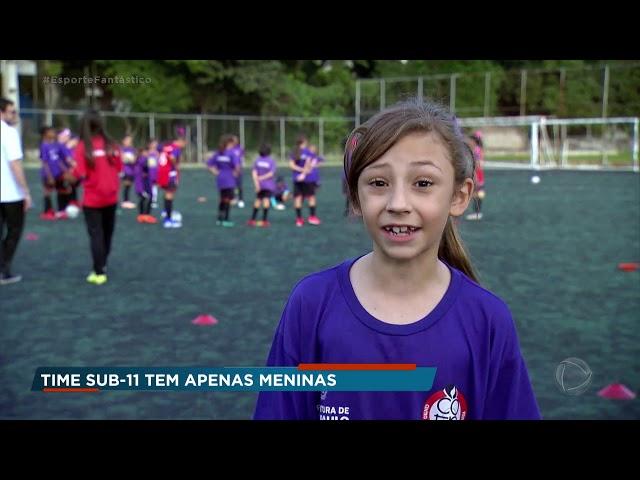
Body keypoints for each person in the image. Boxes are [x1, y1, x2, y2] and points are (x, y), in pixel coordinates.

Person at [254, 99, 540, 420]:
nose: (398, 203)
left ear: (459, 197)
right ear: (356, 197)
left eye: (423, 183)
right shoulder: (311, 303)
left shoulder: (487, 319)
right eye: (378, 183)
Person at [68, 110, 122, 285]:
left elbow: (78, 173)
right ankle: (102, 265)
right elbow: (119, 167)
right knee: (107, 234)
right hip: (111, 197)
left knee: (96, 235)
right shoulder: (112, 145)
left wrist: (67, 176)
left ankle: (99, 271)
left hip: (92, 199)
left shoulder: (83, 147)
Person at [0, 98, 31, 285]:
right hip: (10, 193)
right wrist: (26, 191)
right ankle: (3, 270)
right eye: (12, 112)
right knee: (14, 232)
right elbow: (15, 164)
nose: (15, 115)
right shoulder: (9, 133)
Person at [207, 134, 240, 227]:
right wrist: (236, 173)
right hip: (229, 178)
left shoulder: (218, 152)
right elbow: (237, 166)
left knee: (222, 198)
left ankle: (219, 218)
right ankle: (226, 219)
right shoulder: (232, 153)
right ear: (229, 143)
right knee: (228, 199)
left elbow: (209, 164)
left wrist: (216, 172)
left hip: (220, 178)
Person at [288, 135, 315, 227]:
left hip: (297, 178)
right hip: (307, 179)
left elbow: (291, 165)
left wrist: (300, 172)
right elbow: (309, 164)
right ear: (304, 142)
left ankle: (299, 219)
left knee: (298, 198)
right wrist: (303, 173)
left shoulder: (294, 151)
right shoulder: (307, 152)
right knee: (311, 197)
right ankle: (312, 217)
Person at [247, 143, 276, 227]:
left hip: (259, 185)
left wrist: (256, 183)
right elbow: (271, 173)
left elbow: (254, 173)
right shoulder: (271, 161)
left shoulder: (257, 160)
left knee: (258, 200)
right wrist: (262, 178)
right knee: (266, 200)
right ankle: (264, 220)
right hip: (268, 185)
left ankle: (252, 219)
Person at [466, 131, 486, 221]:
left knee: (476, 192)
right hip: (478, 173)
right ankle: (477, 212)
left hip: (477, 173)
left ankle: (477, 212)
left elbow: (478, 163)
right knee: (478, 192)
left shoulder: (476, 150)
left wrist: (475, 175)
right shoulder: (478, 149)